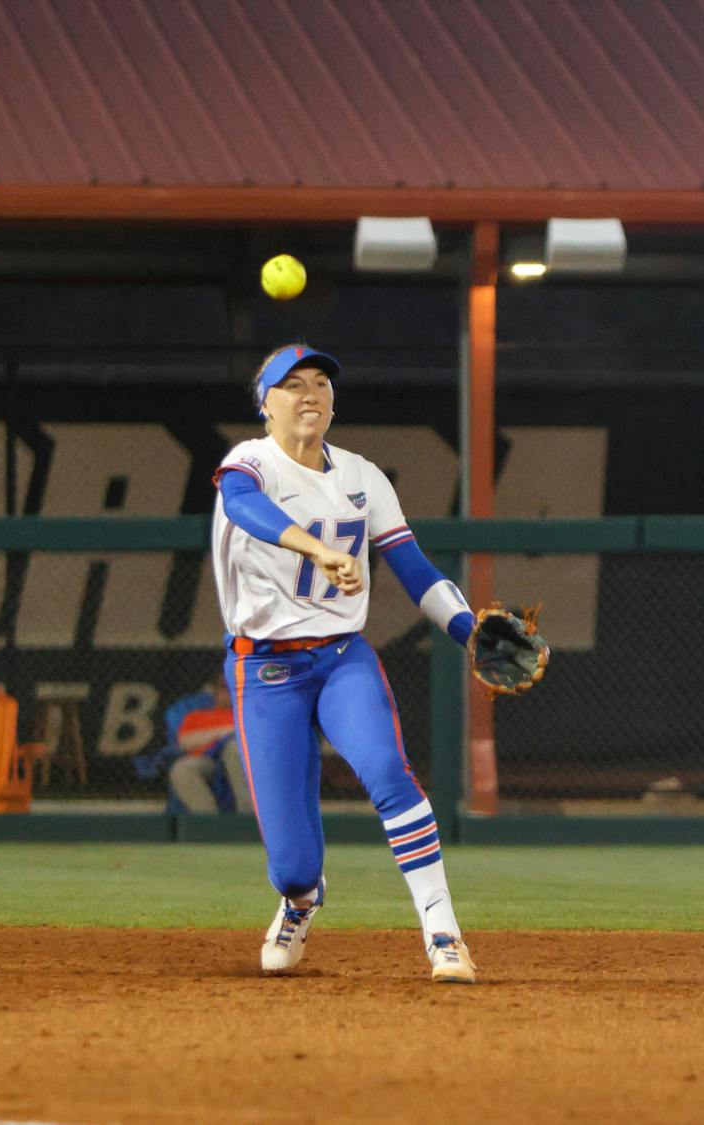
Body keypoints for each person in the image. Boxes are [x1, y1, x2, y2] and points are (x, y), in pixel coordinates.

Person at [211, 343, 479, 984]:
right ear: (265, 404)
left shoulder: (362, 477)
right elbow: (246, 508)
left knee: (389, 771)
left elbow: (415, 569)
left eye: (321, 384)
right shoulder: (249, 461)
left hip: (339, 658)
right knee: (294, 864)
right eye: (292, 385)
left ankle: (444, 934)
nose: (310, 395)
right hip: (264, 670)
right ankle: (299, 902)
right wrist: (314, 549)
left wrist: (468, 630)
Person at [166, 676, 250, 814]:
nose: (228, 691)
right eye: (224, 687)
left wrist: (212, 736)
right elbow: (185, 742)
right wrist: (227, 731)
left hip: (239, 760)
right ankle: (209, 822)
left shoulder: (248, 714)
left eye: (234, 686)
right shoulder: (197, 716)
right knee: (181, 768)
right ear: (215, 690)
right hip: (208, 762)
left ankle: (248, 817)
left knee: (234, 747)